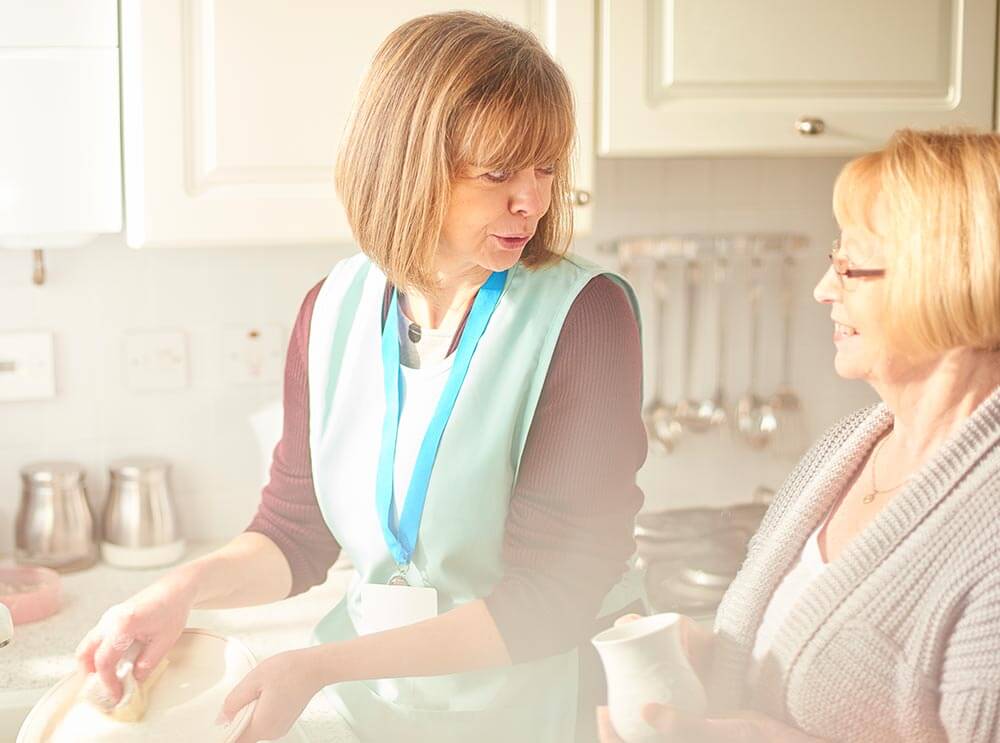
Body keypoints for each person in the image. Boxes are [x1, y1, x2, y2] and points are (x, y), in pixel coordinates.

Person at [75, 11, 647, 743]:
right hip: (375, 713)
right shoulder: (333, 307)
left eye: (544, 167)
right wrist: (175, 592)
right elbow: (294, 534)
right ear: (407, 163)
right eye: (498, 171)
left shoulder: (584, 317)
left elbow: (553, 596)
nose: (531, 200)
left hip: (540, 712)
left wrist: (319, 665)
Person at [599, 128, 1000, 743]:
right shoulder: (847, 446)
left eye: (850, 266)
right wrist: (715, 661)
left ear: (950, 278)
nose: (823, 288)